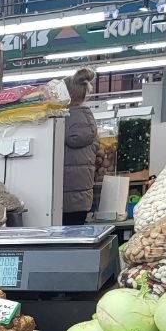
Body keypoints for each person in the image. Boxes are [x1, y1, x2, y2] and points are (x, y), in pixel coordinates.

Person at [62, 67, 98, 227]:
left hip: (58, 199)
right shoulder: (91, 125)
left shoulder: (58, 123)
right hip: (83, 200)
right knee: (76, 237)